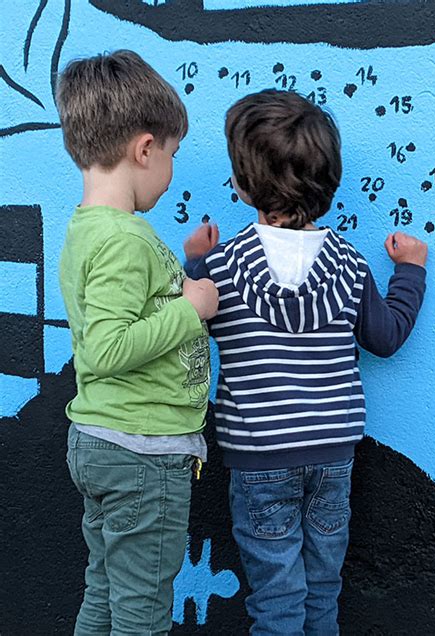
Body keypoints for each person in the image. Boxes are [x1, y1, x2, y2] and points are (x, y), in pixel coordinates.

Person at [184, 89, 428, 635]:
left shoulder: (221, 267)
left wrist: (195, 260)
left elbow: (195, 323)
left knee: (276, 601)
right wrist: (410, 271)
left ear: (243, 186)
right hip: (333, 456)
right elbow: (384, 337)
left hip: (259, 456)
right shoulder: (348, 265)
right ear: (329, 184)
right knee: (322, 594)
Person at [56, 50, 218, 635]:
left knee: (104, 596)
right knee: (143, 614)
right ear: (144, 149)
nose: (171, 170)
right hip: (141, 455)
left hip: (106, 446)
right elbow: (106, 348)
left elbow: (116, 318)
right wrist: (191, 308)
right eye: (172, 155)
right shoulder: (125, 238)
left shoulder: (86, 230)